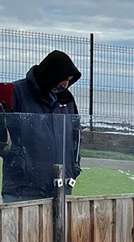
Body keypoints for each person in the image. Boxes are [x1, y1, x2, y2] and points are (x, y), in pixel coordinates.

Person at [0, 49, 83, 202]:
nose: (66, 84)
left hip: (60, 187)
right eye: (63, 79)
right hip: (23, 189)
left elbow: (76, 136)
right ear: (51, 74)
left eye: (69, 80)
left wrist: (74, 167)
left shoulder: (67, 100)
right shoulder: (17, 92)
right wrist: (19, 162)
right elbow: (3, 136)